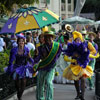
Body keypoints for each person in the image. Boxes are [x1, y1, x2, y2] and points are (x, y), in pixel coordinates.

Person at [63, 31, 95, 100]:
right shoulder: (71, 45)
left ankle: (82, 96)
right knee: (76, 80)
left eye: (79, 38)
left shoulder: (86, 43)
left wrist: (88, 55)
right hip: (74, 66)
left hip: (82, 65)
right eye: (76, 39)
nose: (78, 40)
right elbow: (66, 56)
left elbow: (94, 51)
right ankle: (78, 93)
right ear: (74, 40)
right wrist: (72, 59)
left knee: (83, 79)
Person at [33, 31, 62, 100]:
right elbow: (36, 60)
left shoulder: (57, 46)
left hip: (51, 68)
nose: (49, 38)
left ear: (52, 38)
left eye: (50, 37)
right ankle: (40, 98)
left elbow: (57, 56)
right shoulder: (40, 48)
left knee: (49, 82)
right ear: (45, 38)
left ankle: (49, 98)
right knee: (40, 84)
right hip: (42, 67)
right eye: (47, 37)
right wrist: (36, 54)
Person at [6, 35, 34, 100]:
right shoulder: (14, 50)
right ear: (18, 42)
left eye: (22, 41)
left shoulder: (27, 49)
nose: (21, 42)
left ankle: (20, 97)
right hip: (17, 67)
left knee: (24, 83)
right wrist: (10, 68)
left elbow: (29, 58)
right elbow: (11, 60)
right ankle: (19, 94)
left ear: (24, 42)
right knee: (17, 84)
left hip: (24, 67)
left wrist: (34, 63)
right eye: (20, 41)